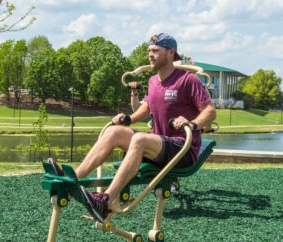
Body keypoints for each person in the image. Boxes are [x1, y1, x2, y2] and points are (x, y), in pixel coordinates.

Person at [49, 33, 216, 223]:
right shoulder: (153, 81)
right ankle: (73, 181)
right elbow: (147, 108)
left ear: (170, 53)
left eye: (155, 51)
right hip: (159, 146)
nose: (150, 55)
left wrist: (191, 124)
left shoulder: (187, 80)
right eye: (149, 51)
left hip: (182, 150)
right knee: (114, 132)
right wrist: (128, 119)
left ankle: (105, 200)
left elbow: (210, 111)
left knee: (139, 139)